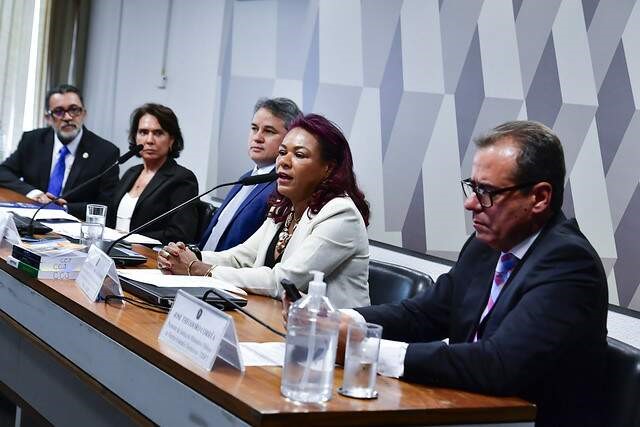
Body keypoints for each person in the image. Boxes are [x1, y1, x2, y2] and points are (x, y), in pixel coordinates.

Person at [338, 121, 608, 427]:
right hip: (467, 410)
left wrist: (367, 349)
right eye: (473, 187)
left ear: (539, 198)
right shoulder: (486, 246)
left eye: (487, 192)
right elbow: (424, 314)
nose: (471, 204)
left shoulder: (569, 263)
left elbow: (498, 364)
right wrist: (342, 321)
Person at [158, 114, 371, 309]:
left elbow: (283, 281)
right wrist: (186, 257)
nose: (284, 162)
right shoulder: (284, 208)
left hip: (331, 333)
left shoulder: (341, 214)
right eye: (282, 152)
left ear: (328, 168)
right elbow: (241, 257)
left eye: (299, 155)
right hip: (272, 317)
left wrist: (198, 268)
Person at [0, 84, 119, 219]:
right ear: (48, 118)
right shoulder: (32, 140)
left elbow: (107, 206)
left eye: (74, 110)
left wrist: (65, 208)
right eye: (59, 111)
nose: (67, 117)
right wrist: (34, 193)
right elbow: (3, 172)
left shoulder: (105, 152)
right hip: (31, 219)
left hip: (75, 224)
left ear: (84, 113)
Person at [198, 97, 301, 251]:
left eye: (269, 131)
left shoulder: (282, 186)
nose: (257, 137)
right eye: (254, 128)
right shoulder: (246, 178)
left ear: (290, 139)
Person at [106, 103, 198, 244]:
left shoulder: (182, 179)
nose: (149, 140)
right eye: (143, 132)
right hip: (112, 248)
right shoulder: (131, 173)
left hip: (146, 254)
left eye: (158, 133)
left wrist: (130, 239)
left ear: (171, 140)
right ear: (135, 137)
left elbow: (180, 234)